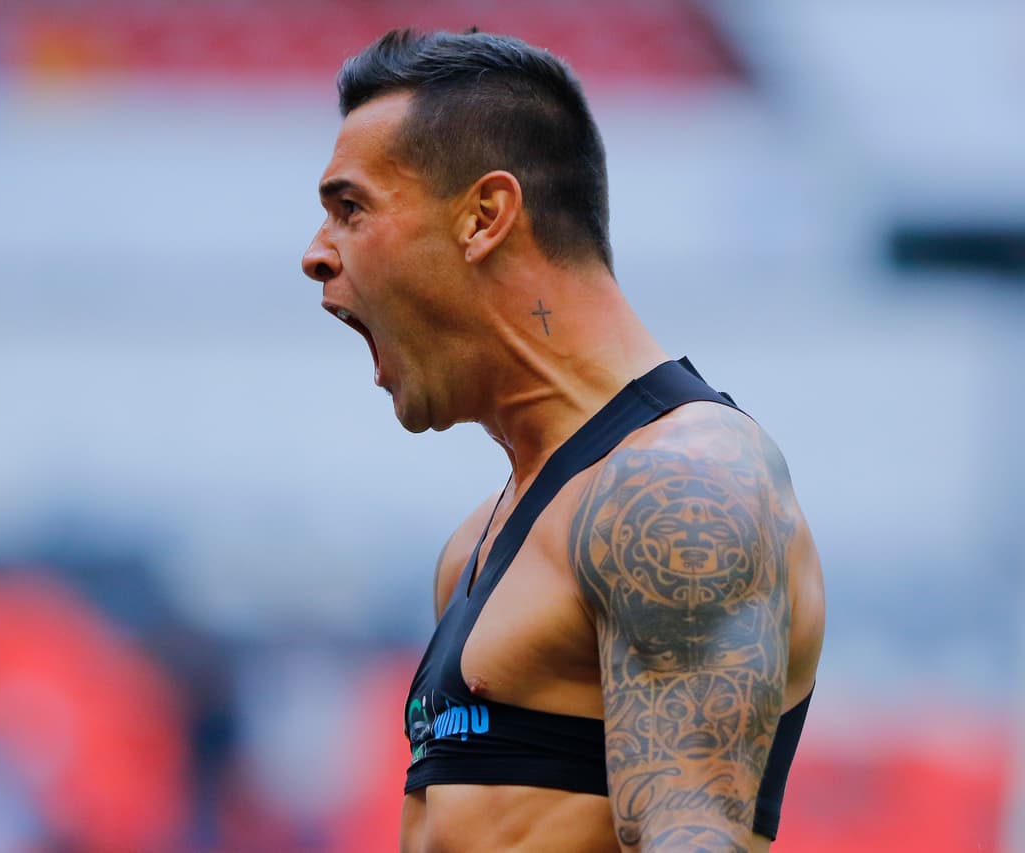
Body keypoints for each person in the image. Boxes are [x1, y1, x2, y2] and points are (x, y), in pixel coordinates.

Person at [301, 29, 824, 853]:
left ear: (484, 216)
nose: (315, 255)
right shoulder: (475, 543)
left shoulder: (681, 485)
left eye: (350, 208)